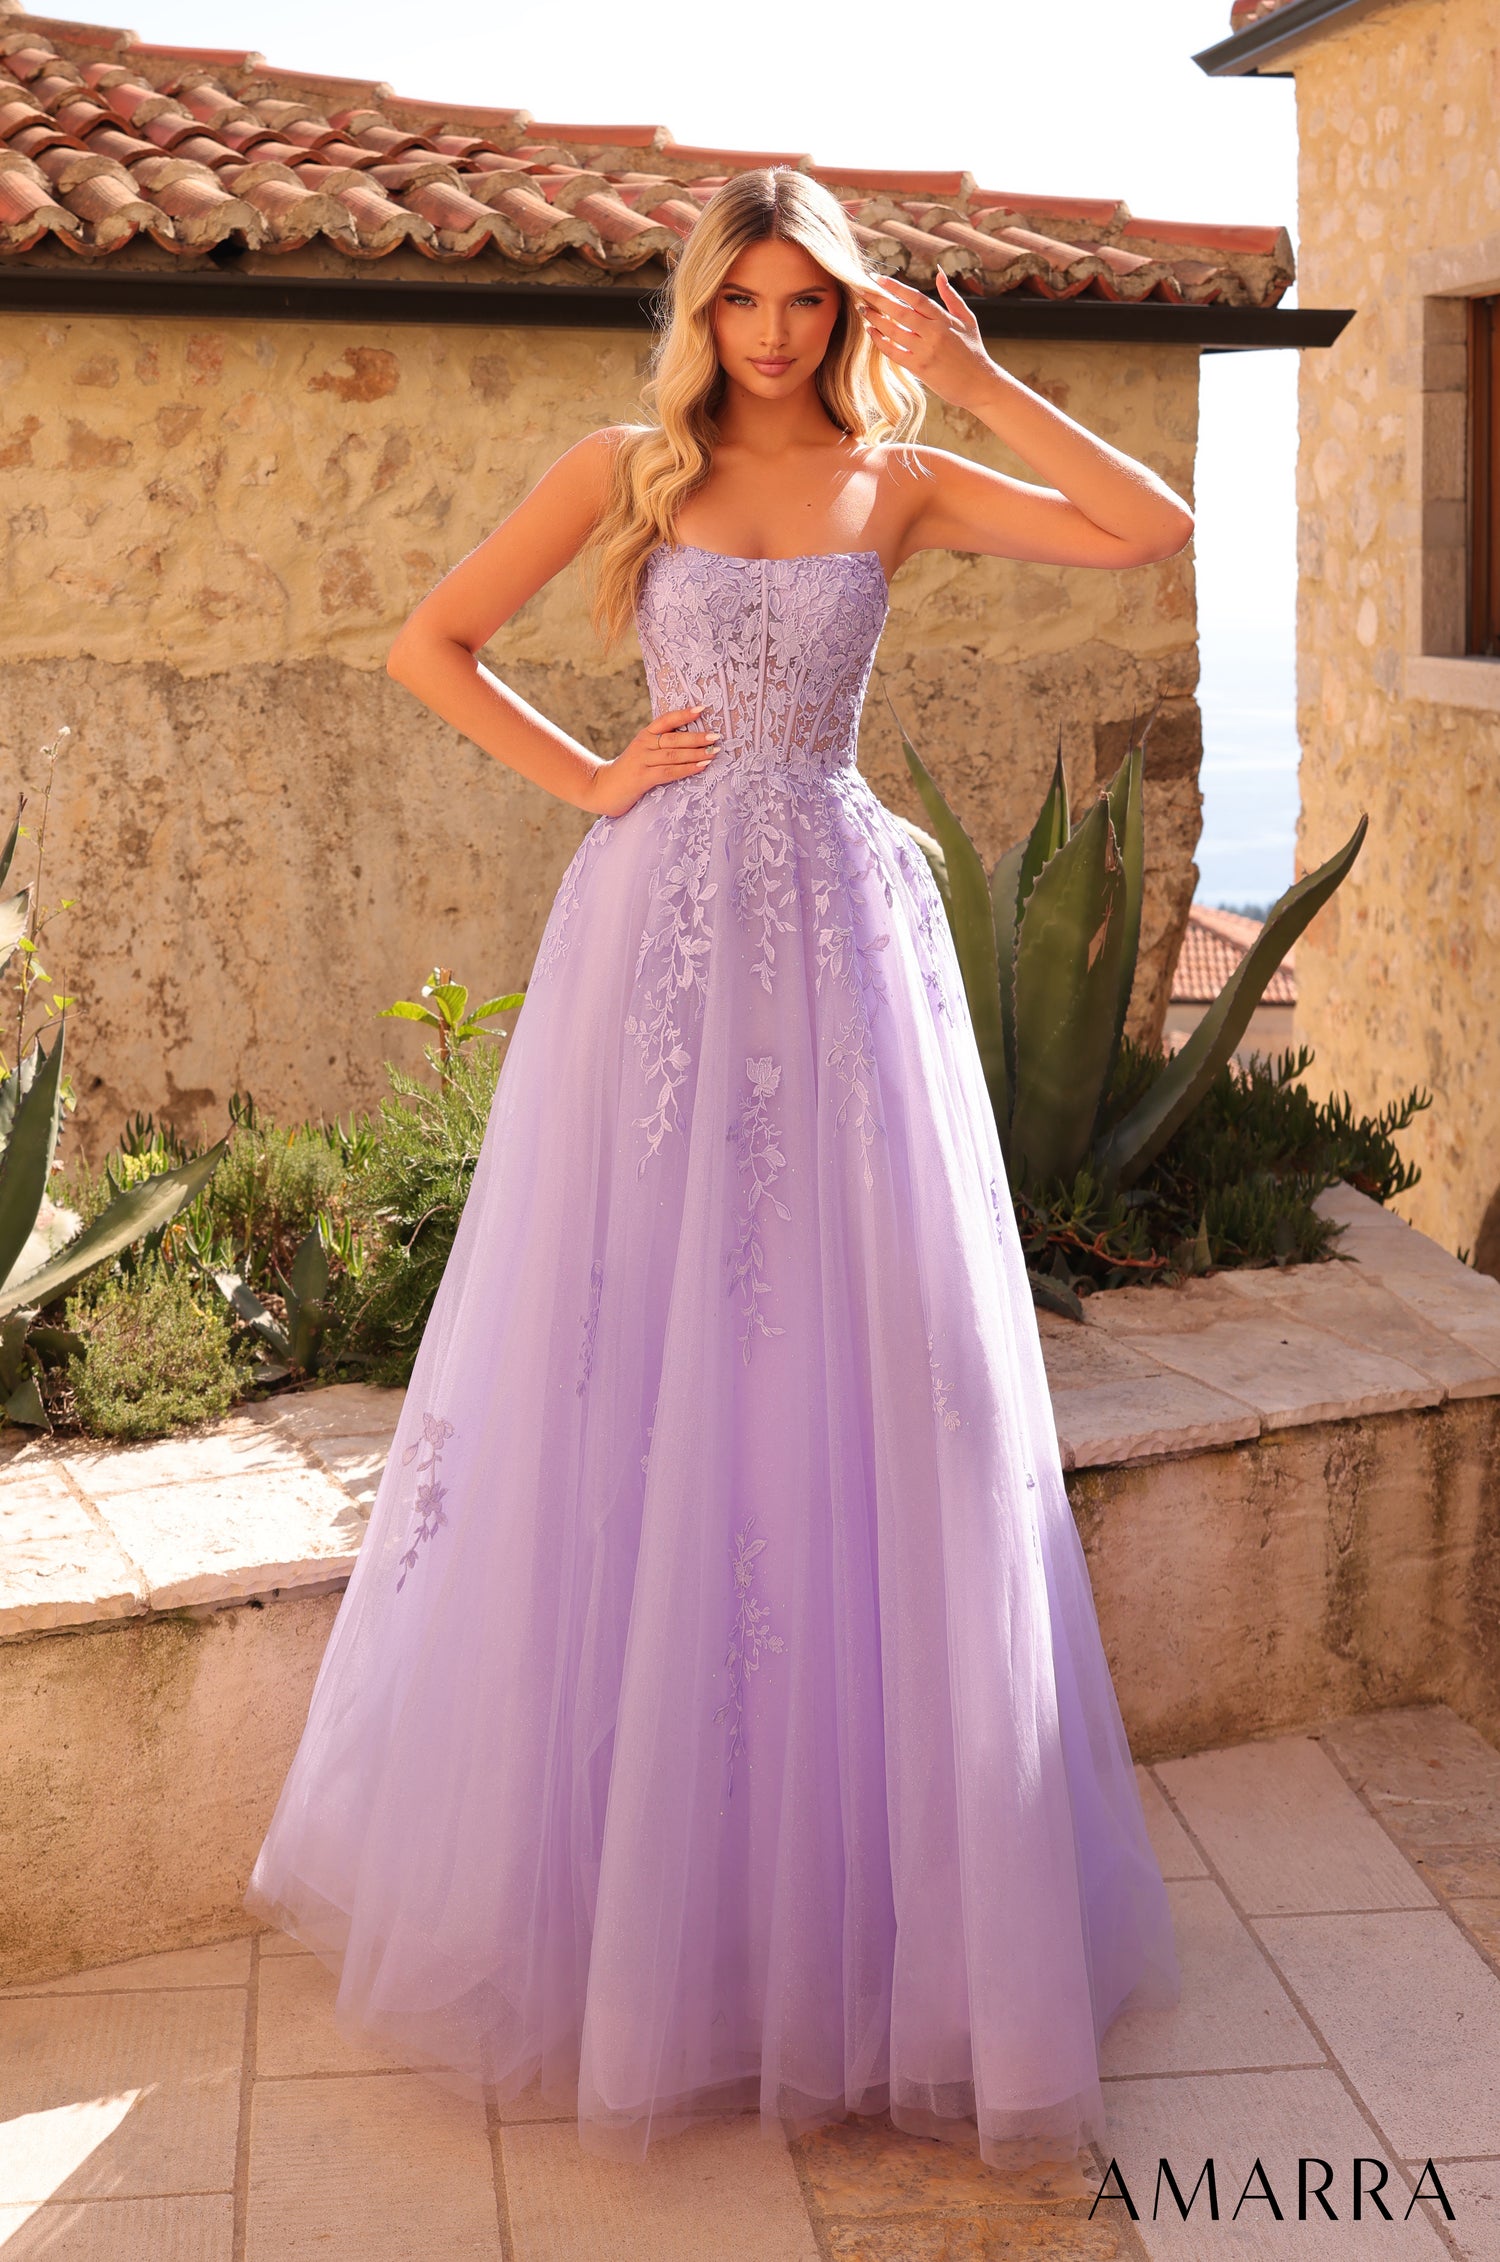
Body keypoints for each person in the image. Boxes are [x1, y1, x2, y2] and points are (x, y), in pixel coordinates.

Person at [246, 165, 1187, 2174]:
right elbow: (433, 643)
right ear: (704, 307)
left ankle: (877, 1930)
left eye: (804, 300)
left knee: (865, 1374)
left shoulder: (895, 481)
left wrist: (981, 381)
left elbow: (1146, 530)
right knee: (628, 1355)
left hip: (844, 951)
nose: (771, 332)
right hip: (658, 948)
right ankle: (632, 1925)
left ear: (845, 310)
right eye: (743, 299)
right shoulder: (625, 468)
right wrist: (594, 776)